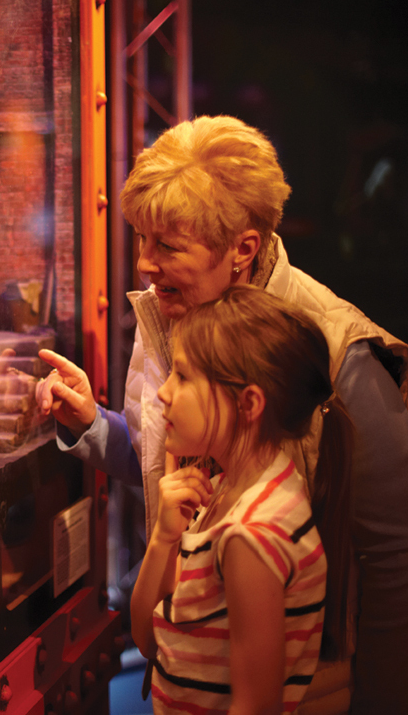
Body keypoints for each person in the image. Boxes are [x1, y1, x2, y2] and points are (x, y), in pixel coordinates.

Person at [36, 115, 408, 713]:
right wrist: (92, 425)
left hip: (334, 687)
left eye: (168, 246)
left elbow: (392, 558)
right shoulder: (178, 314)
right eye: (141, 239)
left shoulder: (335, 353)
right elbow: (172, 461)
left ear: (243, 248)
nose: (144, 264)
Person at [131, 285, 351, 714]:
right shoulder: (222, 493)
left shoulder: (251, 534)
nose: (163, 392)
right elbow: (149, 639)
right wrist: (163, 539)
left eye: (183, 376)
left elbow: (255, 705)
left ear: (248, 403)